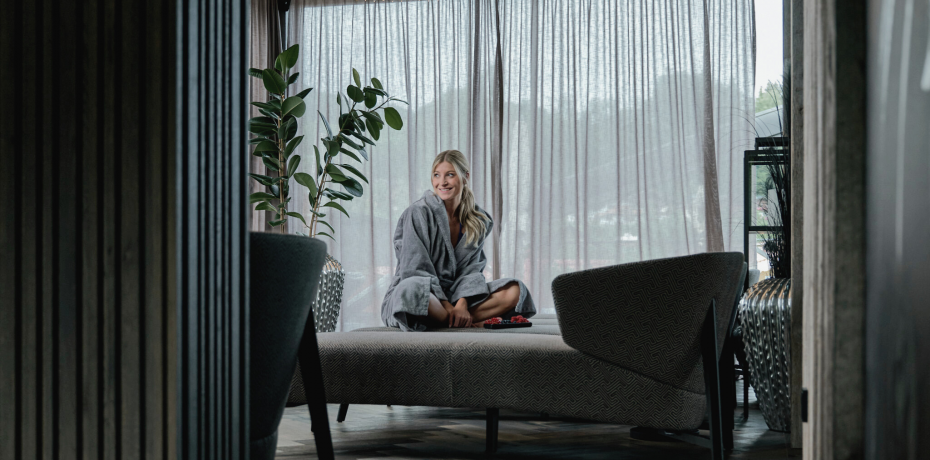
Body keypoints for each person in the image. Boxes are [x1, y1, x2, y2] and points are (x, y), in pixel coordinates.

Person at [381, 150, 535, 331]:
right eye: (437, 175)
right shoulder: (418, 213)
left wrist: (461, 305)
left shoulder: (478, 220)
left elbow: (471, 270)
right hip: (424, 293)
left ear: (465, 177)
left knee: (514, 290)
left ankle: (452, 318)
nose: (442, 182)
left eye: (450, 175)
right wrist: (447, 306)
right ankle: (456, 319)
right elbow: (415, 268)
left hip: (457, 297)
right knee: (411, 291)